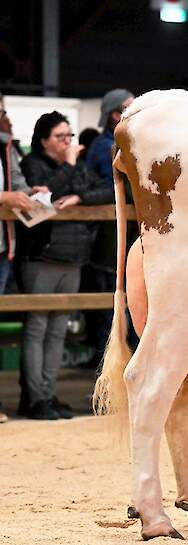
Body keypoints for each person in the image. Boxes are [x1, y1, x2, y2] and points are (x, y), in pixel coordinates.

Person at [17, 111, 114, 420]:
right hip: (42, 258)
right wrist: (71, 165)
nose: (68, 142)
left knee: (58, 330)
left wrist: (79, 198)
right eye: (61, 137)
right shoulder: (33, 164)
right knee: (37, 328)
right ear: (44, 140)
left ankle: (47, 393)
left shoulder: (78, 168)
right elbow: (42, 195)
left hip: (74, 258)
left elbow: (109, 188)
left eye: (70, 136)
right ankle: (34, 398)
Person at [0, 94, 47, 424]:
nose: (4, 115)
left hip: (3, 247)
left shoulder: (6, 145)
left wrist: (28, 192)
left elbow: (16, 181)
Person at [83, 89, 135, 368]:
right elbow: (112, 187)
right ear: (116, 114)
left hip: (126, 236)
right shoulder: (107, 146)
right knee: (111, 311)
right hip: (108, 239)